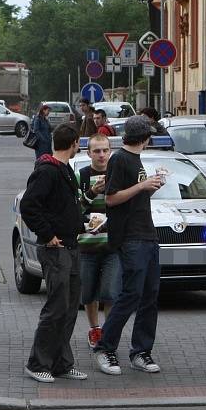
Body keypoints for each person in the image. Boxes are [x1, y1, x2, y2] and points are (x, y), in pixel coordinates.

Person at [93, 115, 162, 376]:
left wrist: (150, 187)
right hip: (131, 236)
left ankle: (141, 351)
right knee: (131, 294)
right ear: (144, 138)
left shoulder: (136, 159)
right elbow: (111, 198)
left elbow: (132, 195)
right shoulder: (120, 159)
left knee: (149, 295)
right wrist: (142, 185)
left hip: (147, 233)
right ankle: (105, 348)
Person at [20, 122, 87, 383]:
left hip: (71, 245)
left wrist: (81, 223)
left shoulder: (65, 170)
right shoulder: (48, 171)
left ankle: (61, 362)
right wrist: (49, 235)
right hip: (56, 248)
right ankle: (38, 363)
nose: (78, 147)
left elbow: (63, 206)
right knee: (56, 307)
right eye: (78, 143)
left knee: (70, 307)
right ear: (73, 144)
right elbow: (29, 206)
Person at [78, 134, 121, 348]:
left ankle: (109, 332)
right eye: (96, 151)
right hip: (87, 245)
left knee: (110, 292)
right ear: (88, 153)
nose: (101, 155)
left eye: (105, 150)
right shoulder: (82, 176)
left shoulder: (118, 175)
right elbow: (75, 209)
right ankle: (95, 329)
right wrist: (92, 192)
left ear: (110, 151)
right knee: (88, 292)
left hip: (112, 245)